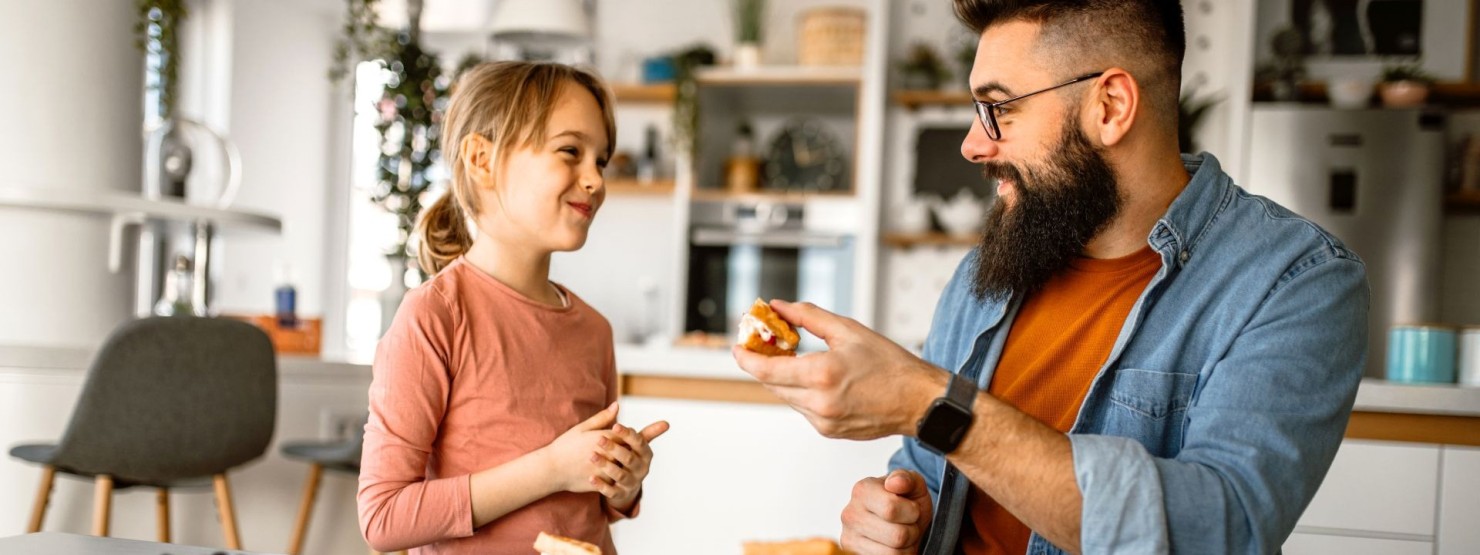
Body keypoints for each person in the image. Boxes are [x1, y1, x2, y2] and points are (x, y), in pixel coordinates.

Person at [732, 1, 1368, 554]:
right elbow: (926, 467)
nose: (972, 147)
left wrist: (930, 403)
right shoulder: (988, 271)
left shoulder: (1295, 283)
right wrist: (896, 516)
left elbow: (1221, 530)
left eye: (998, 109)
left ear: (1110, 107)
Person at [359, 61, 669, 554]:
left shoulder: (594, 330)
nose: (594, 179)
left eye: (601, 161)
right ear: (482, 160)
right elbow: (384, 516)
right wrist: (551, 468)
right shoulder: (435, 316)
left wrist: (624, 482)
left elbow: (593, 497)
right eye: (570, 151)